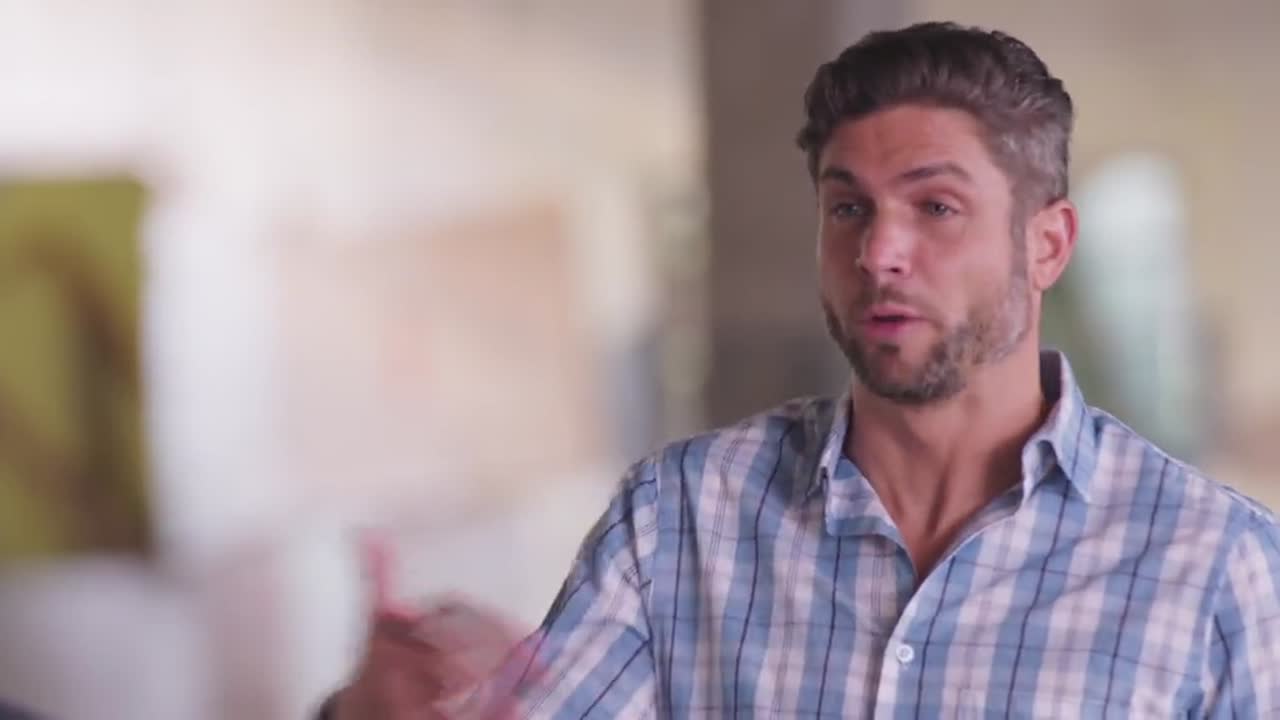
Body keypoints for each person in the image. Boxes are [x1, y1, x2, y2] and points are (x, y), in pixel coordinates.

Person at [323, 21, 1280, 718]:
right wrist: (375, 711)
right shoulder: (680, 520)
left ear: (1048, 243)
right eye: (849, 207)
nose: (879, 253)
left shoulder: (1217, 567)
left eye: (935, 208)